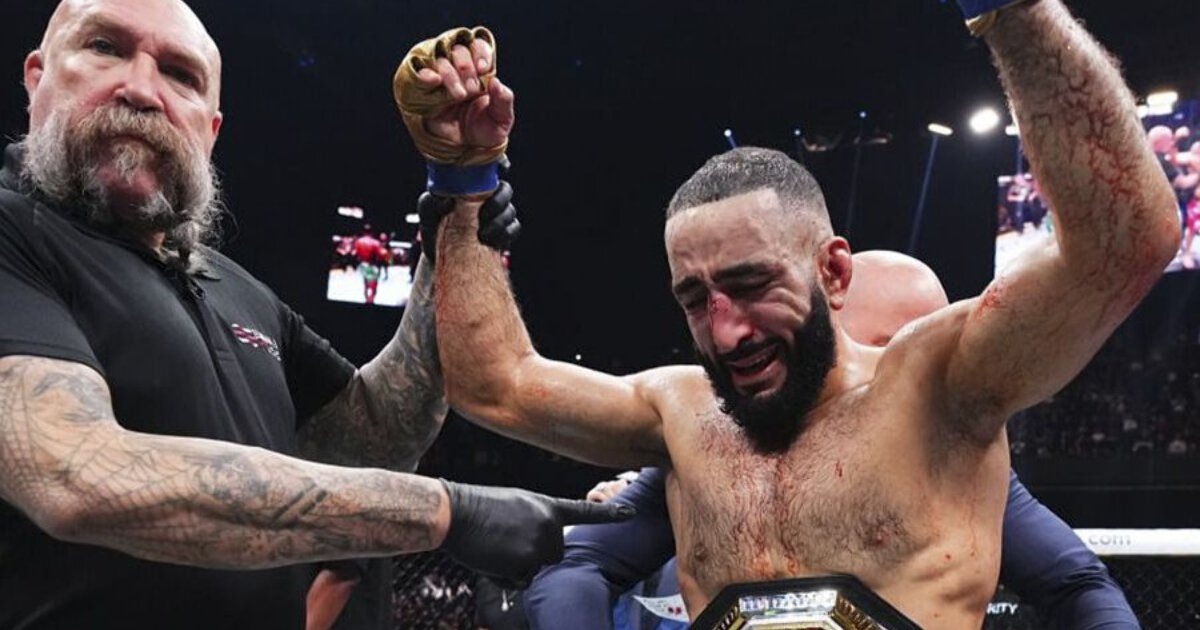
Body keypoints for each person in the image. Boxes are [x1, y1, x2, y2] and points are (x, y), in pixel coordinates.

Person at [399, 0, 1180, 626]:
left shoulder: (939, 388)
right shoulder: (680, 414)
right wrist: (463, 180)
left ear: (833, 271)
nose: (727, 331)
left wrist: (1013, 11)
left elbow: (1123, 242)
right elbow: (492, 383)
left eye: (751, 285)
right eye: (695, 299)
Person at [0, 2, 629, 628]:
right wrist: (447, 511)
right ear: (36, 77)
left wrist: (459, 201)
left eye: (180, 74)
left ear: (210, 130)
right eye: (105, 47)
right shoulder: (12, 236)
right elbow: (73, 475)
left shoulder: (234, 289)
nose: (140, 89)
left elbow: (375, 438)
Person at [525, 252, 1137, 629]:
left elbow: (1079, 586)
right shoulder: (711, 441)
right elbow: (573, 568)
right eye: (900, 346)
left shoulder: (953, 460)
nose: (935, 371)